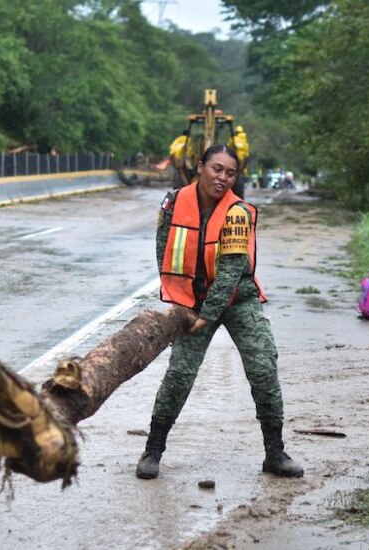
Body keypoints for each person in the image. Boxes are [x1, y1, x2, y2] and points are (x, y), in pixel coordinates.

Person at [136, 144, 303, 480]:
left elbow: (229, 274)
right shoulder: (171, 203)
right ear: (199, 167)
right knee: (179, 374)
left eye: (230, 172)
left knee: (262, 366)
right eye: (216, 169)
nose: (223, 177)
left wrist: (207, 316)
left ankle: (275, 452)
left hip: (237, 300)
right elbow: (162, 251)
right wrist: (180, 301)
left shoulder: (237, 212)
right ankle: (152, 451)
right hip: (193, 302)